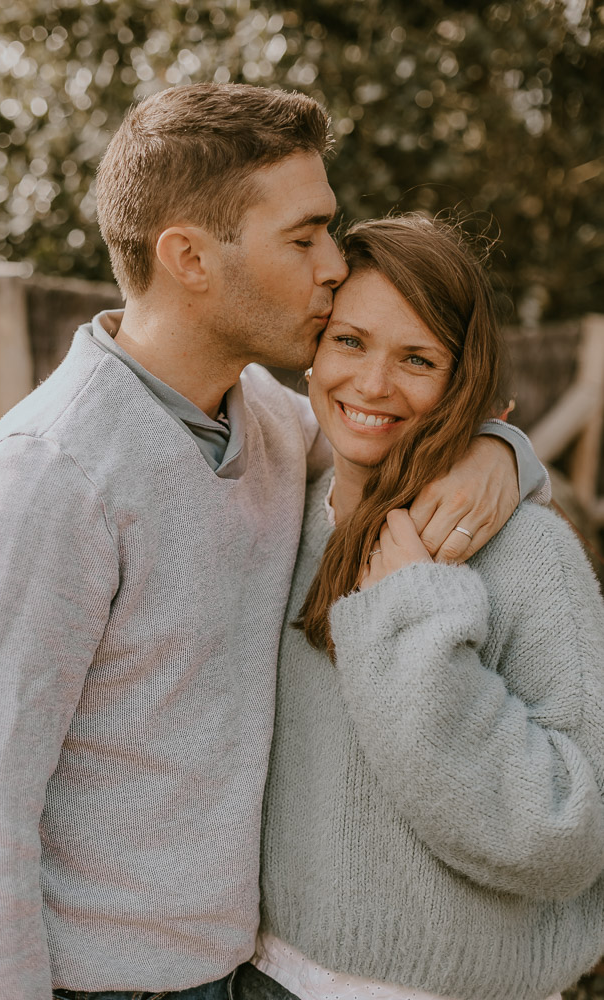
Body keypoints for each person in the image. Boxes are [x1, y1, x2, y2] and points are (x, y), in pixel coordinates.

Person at [0, 86, 547, 1000]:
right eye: (302, 238)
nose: (333, 266)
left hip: (234, 976)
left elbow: (391, 449)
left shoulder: (263, 420)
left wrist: (501, 449)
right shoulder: (46, 481)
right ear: (187, 257)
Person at [237, 216, 604, 1000]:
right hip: (260, 980)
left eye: (415, 358)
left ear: (459, 379)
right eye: (348, 341)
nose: (372, 385)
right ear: (310, 353)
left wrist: (413, 623)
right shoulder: (274, 515)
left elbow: (568, 834)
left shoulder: (527, 554)